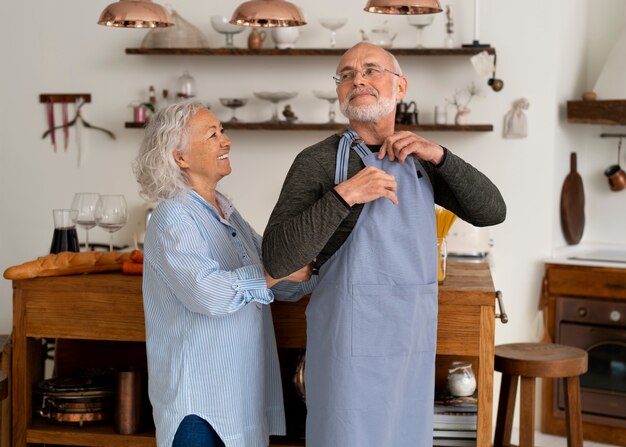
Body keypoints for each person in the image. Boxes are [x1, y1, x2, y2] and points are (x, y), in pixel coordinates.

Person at [262, 42, 506, 447]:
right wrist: (345, 195)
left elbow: (491, 210)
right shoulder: (318, 162)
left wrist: (441, 155)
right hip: (347, 348)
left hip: (409, 341)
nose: (357, 78)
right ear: (340, 93)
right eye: (346, 75)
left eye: (371, 70)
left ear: (400, 86)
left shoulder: (421, 159)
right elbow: (277, 255)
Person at [133, 101, 316, 447]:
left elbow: (283, 287)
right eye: (213, 134)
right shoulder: (172, 217)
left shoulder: (229, 214)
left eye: (223, 131)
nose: (226, 141)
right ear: (180, 157)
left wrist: (323, 266)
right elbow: (209, 294)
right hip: (199, 408)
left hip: (242, 404)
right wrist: (278, 272)